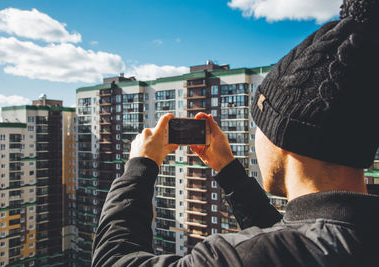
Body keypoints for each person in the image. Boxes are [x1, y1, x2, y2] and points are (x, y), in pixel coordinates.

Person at [92, 0, 379, 266]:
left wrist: (139, 166)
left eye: (259, 124)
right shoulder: (356, 232)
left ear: (284, 137)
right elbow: (292, 239)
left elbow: (112, 260)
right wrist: (226, 167)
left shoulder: (235, 258)